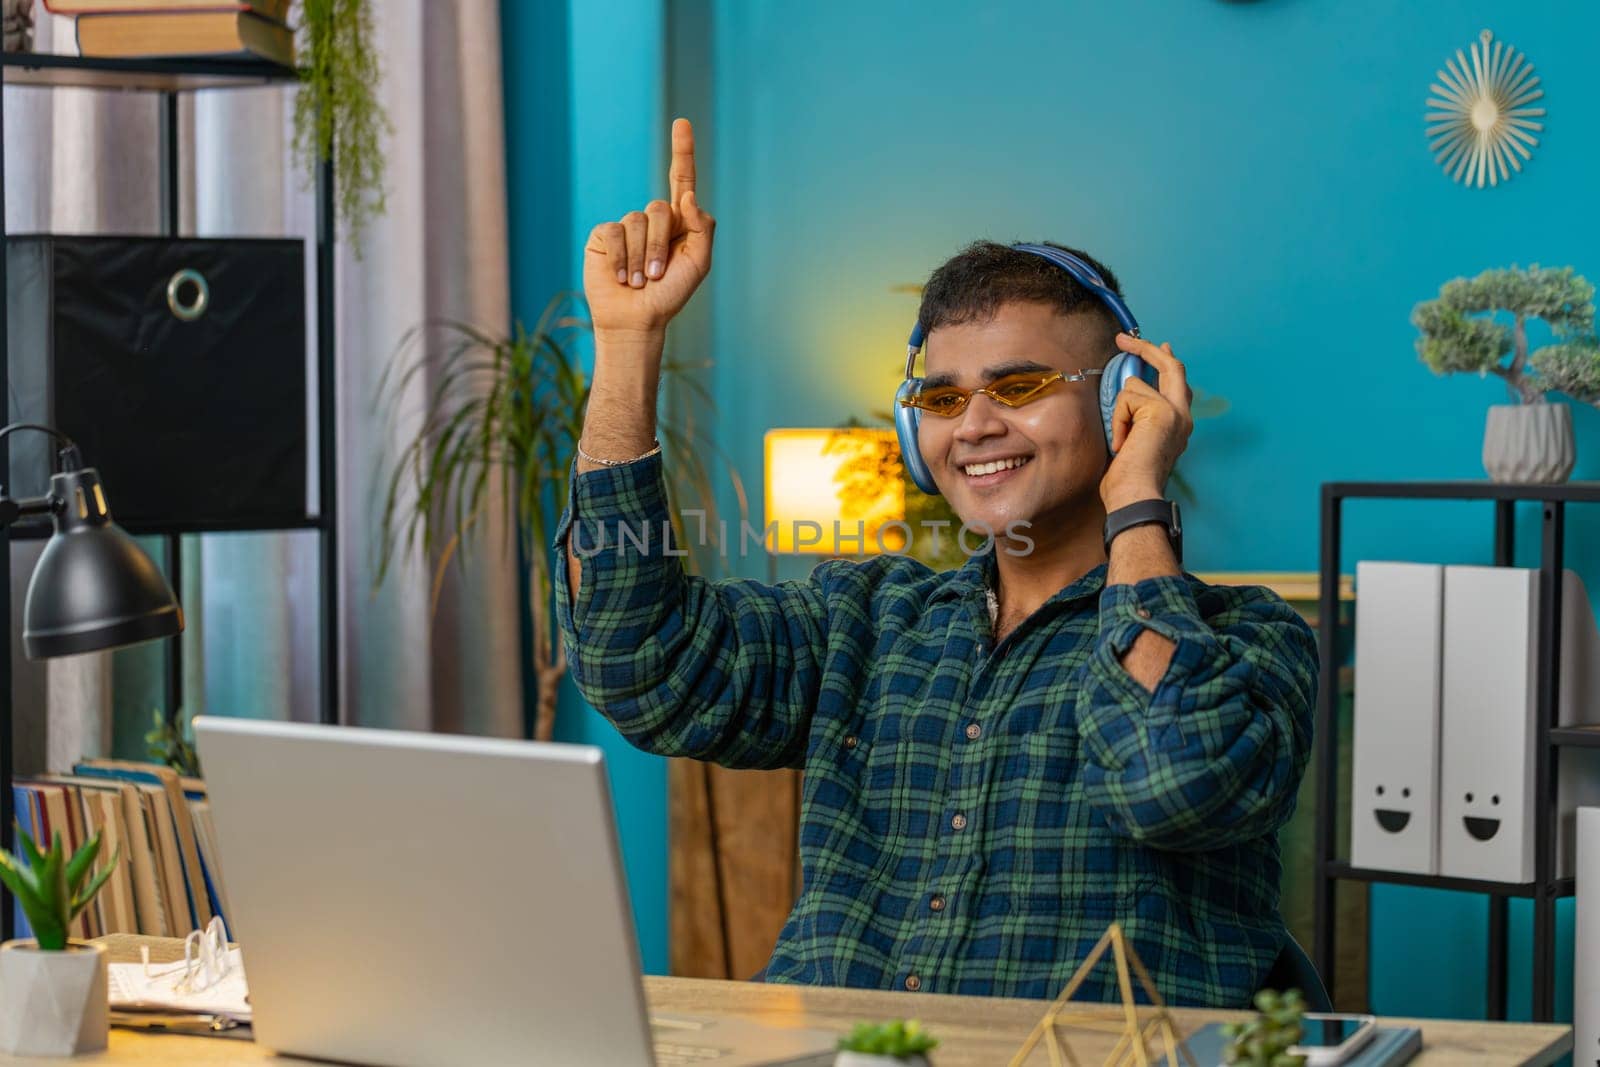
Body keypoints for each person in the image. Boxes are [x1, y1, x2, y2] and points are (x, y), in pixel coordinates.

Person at [556, 118, 1318, 1007]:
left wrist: (1137, 493)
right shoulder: (869, 620)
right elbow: (637, 661)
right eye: (945, 396)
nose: (976, 424)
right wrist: (627, 346)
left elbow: (1175, 785)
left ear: (1124, 399)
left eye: (1021, 386)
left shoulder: (1250, 642)